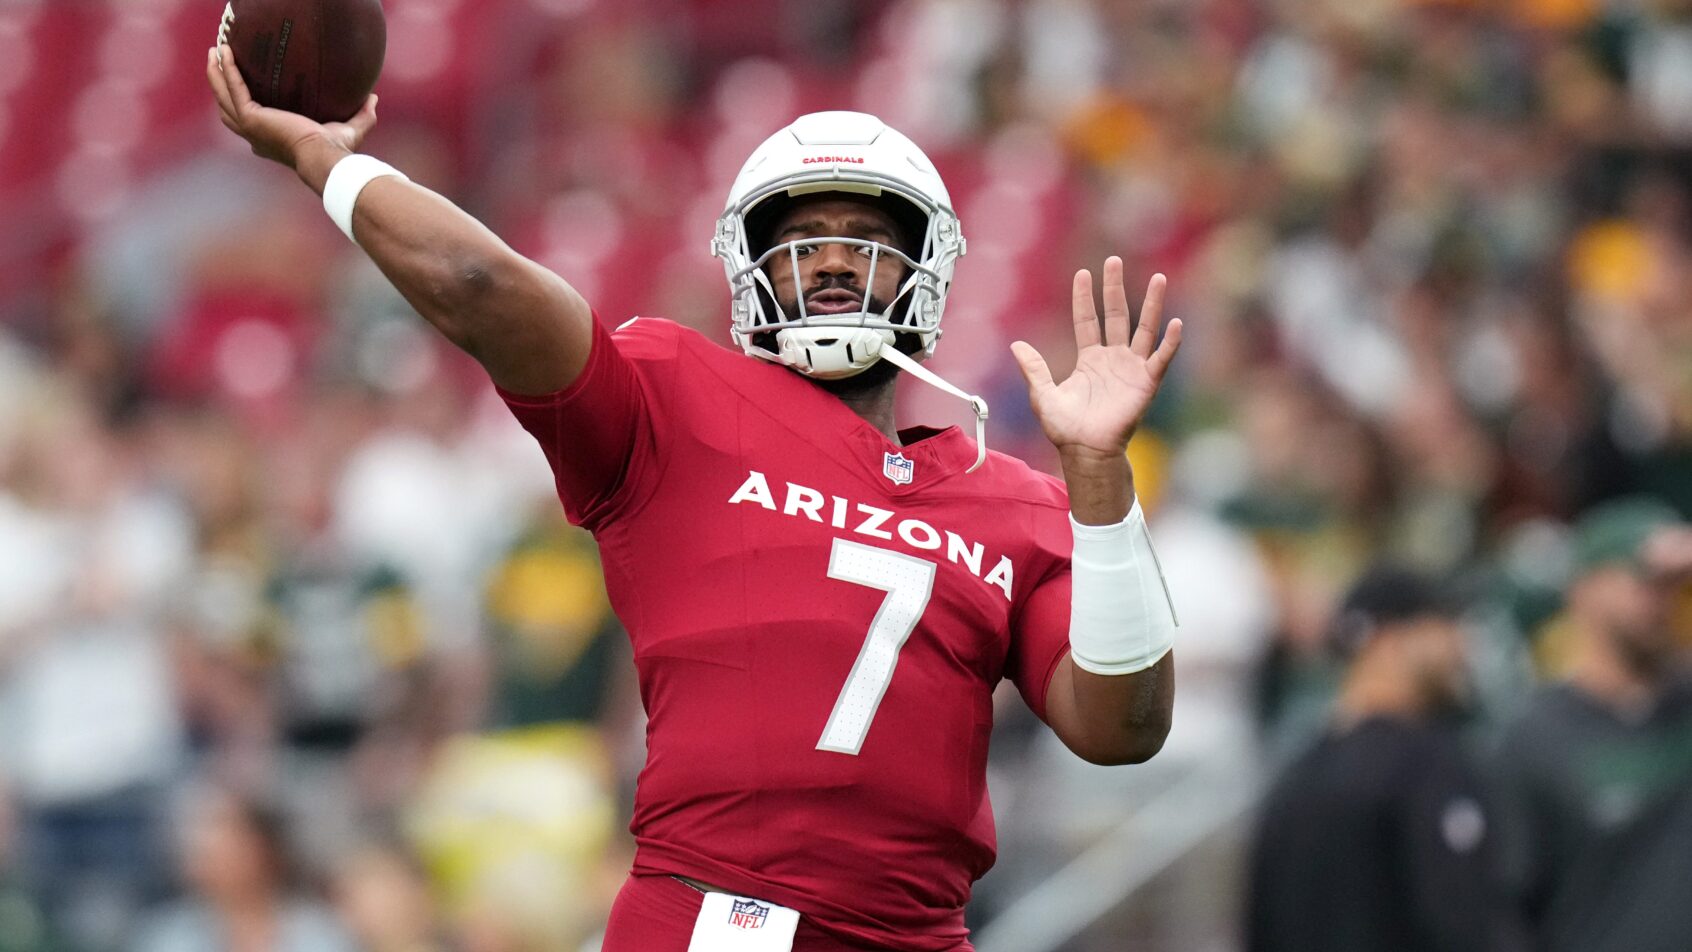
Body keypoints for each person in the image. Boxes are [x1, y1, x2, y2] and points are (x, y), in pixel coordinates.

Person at [206, 38, 1184, 951]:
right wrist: (329, 164)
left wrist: (1098, 479)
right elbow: (478, 281)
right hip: (717, 921)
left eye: (864, 237)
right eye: (802, 238)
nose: (835, 258)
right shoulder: (673, 400)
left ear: (923, 271)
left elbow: (1122, 728)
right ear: (751, 267)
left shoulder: (1014, 497)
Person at [1246, 566, 1500, 952]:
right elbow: (1463, 924)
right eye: (1443, 624)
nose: (1458, 644)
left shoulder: (1295, 777)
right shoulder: (1427, 764)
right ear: (1390, 640)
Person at [1492, 498, 1692, 952]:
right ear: (1582, 589)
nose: (1660, 596)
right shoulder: (1534, 738)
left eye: (1672, 583)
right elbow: (1507, 908)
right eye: (1642, 578)